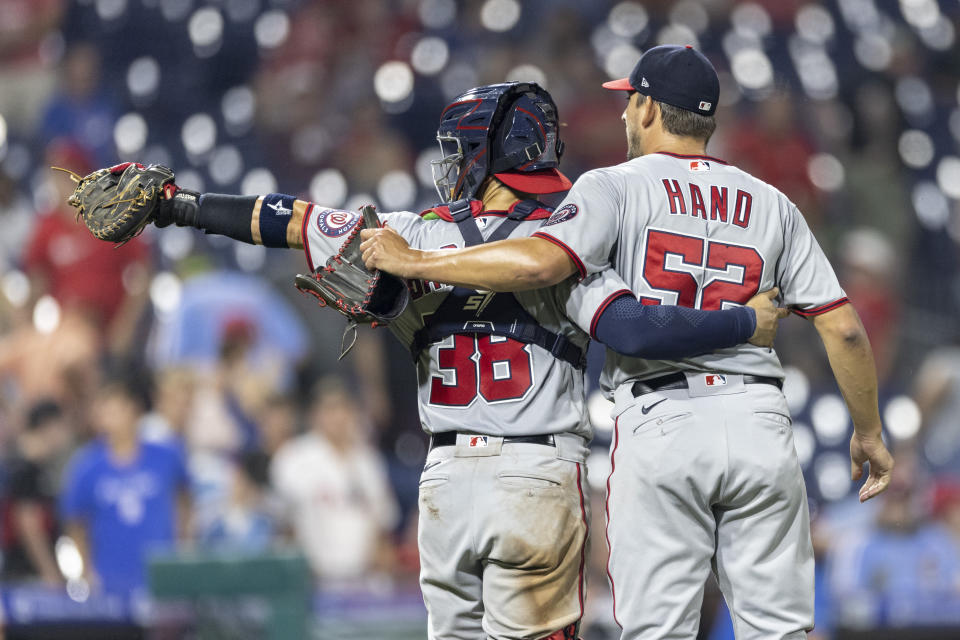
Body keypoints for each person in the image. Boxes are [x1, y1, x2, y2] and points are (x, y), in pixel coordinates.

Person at [83, 82, 784, 638]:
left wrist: (182, 207)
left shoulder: (409, 233)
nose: (451, 165)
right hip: (537, 473)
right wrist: (740, 321)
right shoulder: (571, 241)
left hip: (447, 477)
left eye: (460, 151)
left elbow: (290, 219)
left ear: (484, 156)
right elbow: (634, 328)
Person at [359, 50, 895, 640]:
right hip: (759, 418)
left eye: (627, 102)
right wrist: (868, 431)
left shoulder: (612, 187)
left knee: (656, 632)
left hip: (661, 418)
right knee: (781, 630)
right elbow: (843, 327)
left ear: (645, 108)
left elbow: (540, 262)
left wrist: (419, 260)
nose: (621, 115)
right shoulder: (773, 203)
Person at [60, 379, 191, 594]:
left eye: (117, 409)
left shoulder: (167, 455)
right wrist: (84, 573)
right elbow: (75, 525)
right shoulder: (86, 467)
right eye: (105, 410)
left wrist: (183, 546)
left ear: (134, 410)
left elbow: (184, 500)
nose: (111, 418)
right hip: (110, 578)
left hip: (161, 571)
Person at [270, 378, 398, 582]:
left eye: (343, 408)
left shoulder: (368, 460)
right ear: (314, 415)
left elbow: (383, 523)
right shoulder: (293, 457)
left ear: (353, 413)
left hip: (364, 580)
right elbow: (283, 527)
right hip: (314, 579)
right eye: (329, 409)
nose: (337, 417)